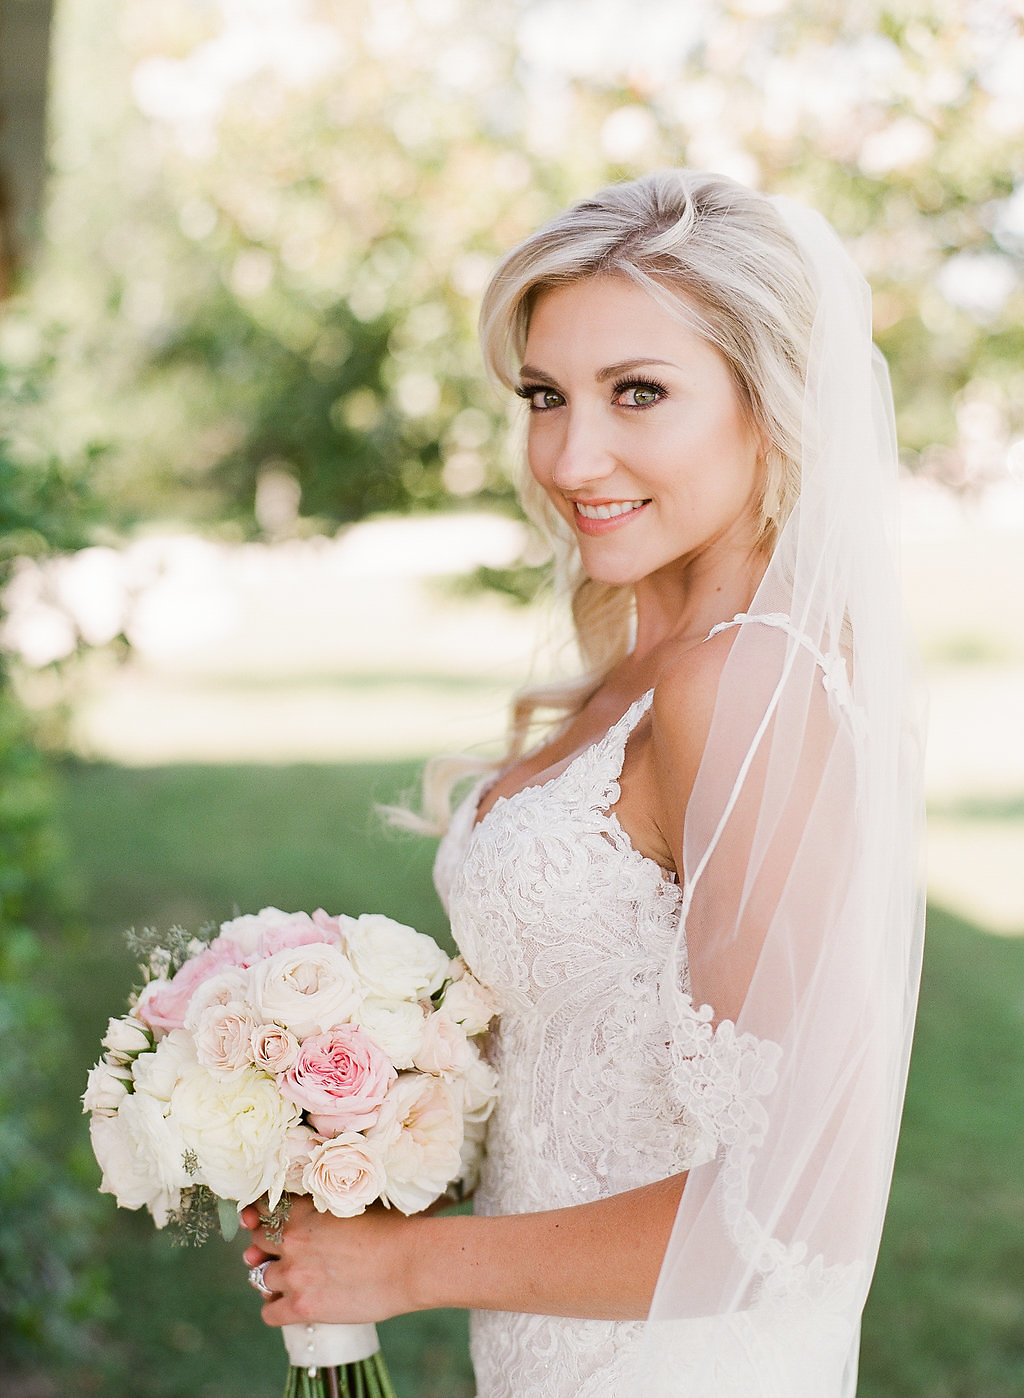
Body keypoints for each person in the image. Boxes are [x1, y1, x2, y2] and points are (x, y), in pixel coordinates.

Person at [241, 170, 926, 1397]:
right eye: (546, 395)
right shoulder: (645, 664)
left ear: (770, 406)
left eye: (639, 394)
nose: (569, 452)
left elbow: (788, 1214)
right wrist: (371, 1104)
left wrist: (404, 1269)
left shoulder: (748, 686)